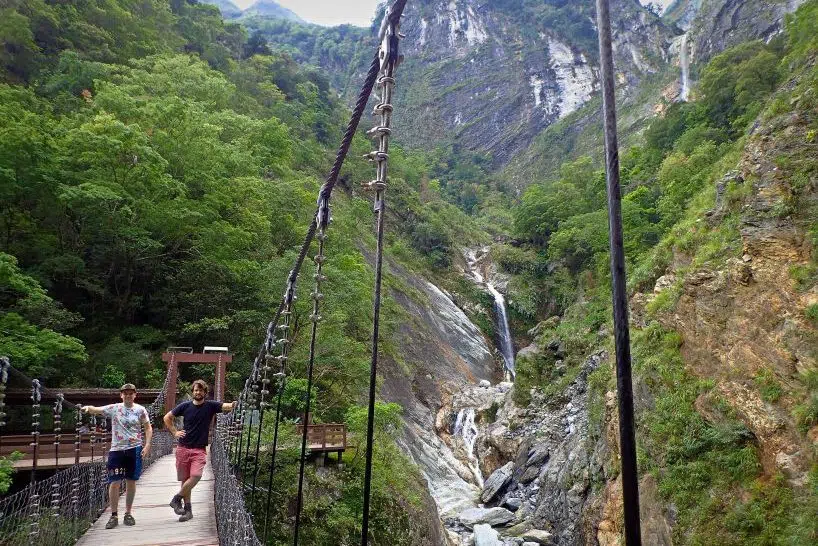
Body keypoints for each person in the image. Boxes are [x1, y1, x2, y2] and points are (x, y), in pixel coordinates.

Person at [81, 383, 152, 529]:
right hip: (117, 450)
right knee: (114, 482)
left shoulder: (140, 410)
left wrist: (147, 445)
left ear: (135, 395)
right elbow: (98, 410)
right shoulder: (115, 408)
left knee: (131, 481)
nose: (128, 395)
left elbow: (147, 427)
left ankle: (128, 513)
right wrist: (88, 408)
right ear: (121, 395)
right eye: (125, 393)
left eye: (131, 393)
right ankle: (114, 515)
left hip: (134, 449)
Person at [163, 379, 235, 522]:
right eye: (196, 390)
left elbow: (227, 406)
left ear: (205, 392)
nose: (198, 392)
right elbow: (167, 417)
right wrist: (175, 432)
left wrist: (234, 404)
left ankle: (176, 498)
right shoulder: (185, 406)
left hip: (199, 450)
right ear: (193, 391)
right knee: (185, 480)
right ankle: (188, 511)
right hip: (183, 447)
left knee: (195, 476)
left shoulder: (210, 406)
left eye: (201, 390)